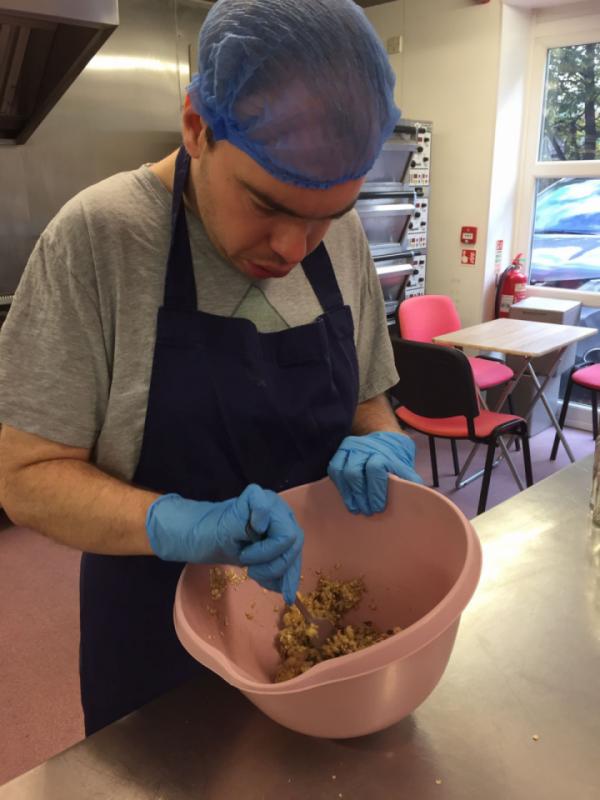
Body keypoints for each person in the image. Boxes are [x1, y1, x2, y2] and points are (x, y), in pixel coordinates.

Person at [0, 0, 422, 736]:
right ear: (196, 125)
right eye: (267, 204)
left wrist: (380, 439)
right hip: (157, 662)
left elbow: (367, 402)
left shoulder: (341, 241)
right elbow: (24, 477)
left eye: (324, 215)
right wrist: (175, 522)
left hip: (319, 635)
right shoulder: (99, 241)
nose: (295, 248)